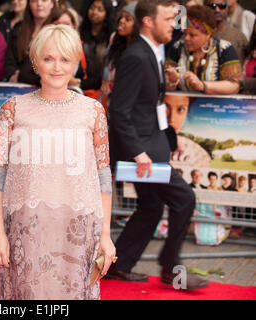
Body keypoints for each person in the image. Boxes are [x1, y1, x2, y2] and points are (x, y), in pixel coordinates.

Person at [0, 24, 115, 300]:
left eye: (65, 59)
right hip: (26, 231)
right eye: (48, 58)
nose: (57, 67)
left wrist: (105, 235)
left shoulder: (92, 111)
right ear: (35, 61)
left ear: (75, 64)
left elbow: (103, 176)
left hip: (78, 230)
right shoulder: (13, 109)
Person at [107, 0, 208, 290]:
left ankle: (119, 264)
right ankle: (170, 269)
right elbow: (120, 112)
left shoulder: (153, 51)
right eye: (167, 18)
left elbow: (151, 106)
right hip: (141, 153)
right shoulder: (136, 56)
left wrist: (168, 139)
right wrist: (139, 154)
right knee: (184, 199)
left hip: (151, 146)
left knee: (151, 207)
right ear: (148, 22)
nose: (173, 25)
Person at [165, 5, 244, 95]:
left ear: (208, 34)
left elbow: (235, 85)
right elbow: (167, 86)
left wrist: (202, 86)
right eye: (185, 33)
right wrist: (171, 81)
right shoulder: (177, 47)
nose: (186, 38)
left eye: (192, 35)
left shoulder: (224, 48)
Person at [51, 6, 102, 97]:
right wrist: (44, 77)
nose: (62, 28)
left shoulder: (84, 48)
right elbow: (27, 72)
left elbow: (97, 80)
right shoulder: (42, 47)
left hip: (76, 100)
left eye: (66, 24)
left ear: (74, 26)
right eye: (56, 24)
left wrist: (77, 82)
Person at [3, 0, 56, 85]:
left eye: (44, 0)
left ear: (52, 3)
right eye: (34, 1)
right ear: (29, 4)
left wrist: (20, 76)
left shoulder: (56, 31)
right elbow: (9, 59)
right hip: (16, 86)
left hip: (44, 86)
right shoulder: (19, 28)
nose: (39, 4)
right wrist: (12, 75)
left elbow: (49, 65)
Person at [101, 1, 138, 106]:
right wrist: (107, 83)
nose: (121, 21)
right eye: (121, 17)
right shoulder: (115, 38)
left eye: (127, 19)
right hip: (113, 100)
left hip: (133, 103)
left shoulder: (142, 47)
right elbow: (107, 67)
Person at [79, 0, 115, 71]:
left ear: (107, 13)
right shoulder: (81, 31)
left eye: (100, 9)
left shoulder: (111, 36)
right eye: (92, 8)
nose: (94, 12)